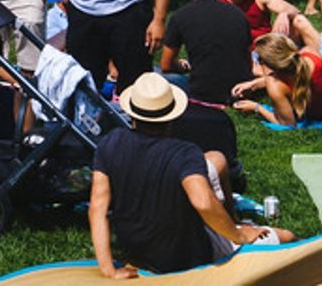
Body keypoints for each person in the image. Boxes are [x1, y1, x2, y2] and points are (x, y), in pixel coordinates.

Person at [89, 72, 287, 277]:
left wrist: (108, 269)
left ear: (132, 114)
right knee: (286, 237)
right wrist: (239, 234)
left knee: (215, 160)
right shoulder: (184, 153)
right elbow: (203, 202)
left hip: (136, 252)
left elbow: (97, 207)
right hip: (185, 257)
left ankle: (232, 220)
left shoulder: (110, 144)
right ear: (172, 116)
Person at [158, 0, 253, 106]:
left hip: (202, 92)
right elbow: (247, 59)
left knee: (153, 73)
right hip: (240, 89)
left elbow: (166, 65)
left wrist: (182, 66)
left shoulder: (180, 16)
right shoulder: (237, 14)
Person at [231, 32, 322, 125]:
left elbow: (287, 123)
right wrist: (253, 84)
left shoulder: (276, 86)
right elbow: (296, 76)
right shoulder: (309, 54)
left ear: (269, 64)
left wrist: (256, 107)